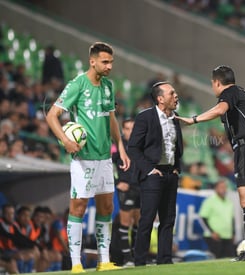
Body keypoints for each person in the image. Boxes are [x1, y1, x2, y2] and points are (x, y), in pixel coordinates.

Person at [46, 42, 130, 273]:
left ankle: (103, 261)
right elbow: (52, 115)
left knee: (106, 207)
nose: (109, 66)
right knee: (78, 208)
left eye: (111, 62)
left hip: (104, 158)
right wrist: (65, 140)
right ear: (92, 61)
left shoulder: (108, 86)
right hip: (83, 159)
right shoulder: (78, 84)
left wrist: (120, 146)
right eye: (105, 61)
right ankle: (75, 263)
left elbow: (111, 118)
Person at [177, 65, 245, 261]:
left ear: (217, 82)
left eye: (212, 84)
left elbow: (220, 109)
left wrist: (193, 120)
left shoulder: (229, 92)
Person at [128, 81, 183, 266]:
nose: (176, 96)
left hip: (170, 173)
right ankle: (140, 262)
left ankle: (165, 261)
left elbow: (177, 147)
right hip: (153, 174)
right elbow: (134, 148)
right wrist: (150, 170)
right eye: (171, 93)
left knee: (168, 220)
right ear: (160, 99)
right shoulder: (145, 117)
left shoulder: (176, 118)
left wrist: (177, 168)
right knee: (147, 219)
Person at [111, 118, 140, 267]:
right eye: (127, 128)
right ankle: (127, 258)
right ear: (122, 130)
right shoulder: (118, 145)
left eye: (133, 128)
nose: (131, 131)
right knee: (125, 223)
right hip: (125, 188)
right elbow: (107, 164)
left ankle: (136, 256)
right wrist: (117, 183)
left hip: (139, 187)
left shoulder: (141, 143)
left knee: (138, 223)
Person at [199, 179, 235, 258]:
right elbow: (203, 218)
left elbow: (232, 219)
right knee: (216, 259)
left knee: (231, 258)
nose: (224, 189)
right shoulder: (209, 201)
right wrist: (212, 232)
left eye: (225, 187)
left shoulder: (229, 202)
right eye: (221, 187)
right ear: (216, 189)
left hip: (227, 236)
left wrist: (233, 233)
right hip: (215, 237)